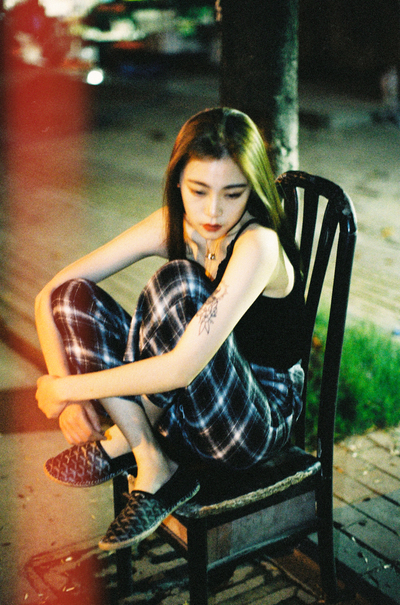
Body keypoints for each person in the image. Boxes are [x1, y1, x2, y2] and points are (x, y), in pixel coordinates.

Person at [35, 107, 305, 552]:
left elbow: (181, 368)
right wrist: (65, 393)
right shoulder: (173, 224)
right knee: (74, 298)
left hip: (254, 421)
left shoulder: (258, 244)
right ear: (178, 180)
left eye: (233, 194)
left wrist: (66, 388)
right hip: (189, 407)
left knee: (178, 282)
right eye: (199, 191)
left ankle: (122, 441)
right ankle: (149, 456)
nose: (213, 211)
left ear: (252, 189)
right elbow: (52, 294)